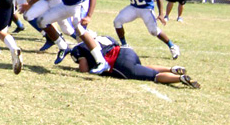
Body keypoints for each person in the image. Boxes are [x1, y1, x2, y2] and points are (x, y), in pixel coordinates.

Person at [70, 35, 200, 89]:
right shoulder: (100, 37)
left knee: (153, 76)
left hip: (119, 63)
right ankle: (171, 69)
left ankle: (180, 78)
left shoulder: (78, 48)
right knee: (141, 68)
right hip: (127, 52)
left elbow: (83, 68)